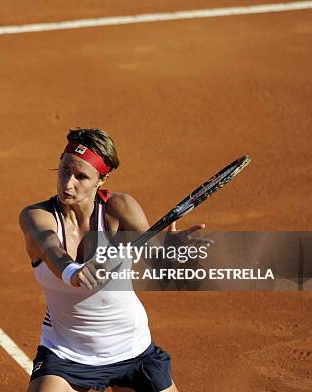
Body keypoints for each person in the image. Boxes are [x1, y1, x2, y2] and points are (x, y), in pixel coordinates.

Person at [19, 128, 207, 392]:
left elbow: (156, 259)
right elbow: (50, 248)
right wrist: (73, 271)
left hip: (132, 349)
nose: (67, 183)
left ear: (102, 179)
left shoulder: (118, 209)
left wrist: (172, 253)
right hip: (67, 353)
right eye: (64, 169)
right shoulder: (36, 216)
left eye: (81, 177)